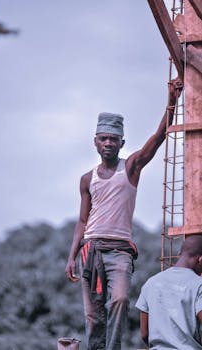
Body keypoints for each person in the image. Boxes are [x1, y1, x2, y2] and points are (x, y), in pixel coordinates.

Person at [65, 78, 183, 350]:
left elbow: (159, 137)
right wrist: (71, 256)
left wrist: (171, 100)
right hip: (90, 250)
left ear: (122, 142)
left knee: (118, 300)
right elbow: (82, 221)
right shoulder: (87, 179)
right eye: (103, 138)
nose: (108, 143)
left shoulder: (130, 168)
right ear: (95, 142)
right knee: (93, 314)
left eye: (113, 139)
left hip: (119, 252)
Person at [135, 234, 202, 350]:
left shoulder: (150, 283)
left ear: (179, 255)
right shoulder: (198, 284)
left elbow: (144, 333)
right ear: (200, 259)